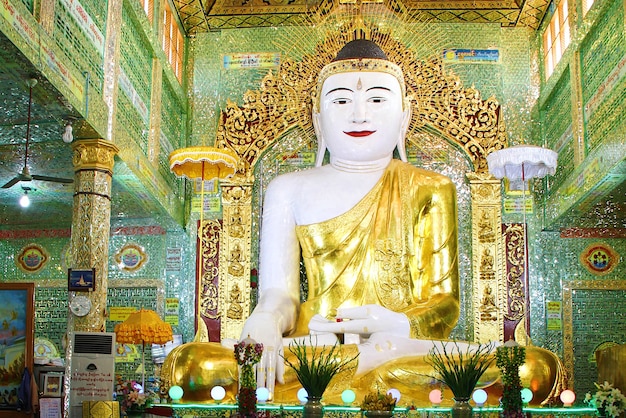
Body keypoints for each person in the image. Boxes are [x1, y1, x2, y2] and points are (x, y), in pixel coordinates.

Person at [162, 39, 564, 406]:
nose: (358, 114)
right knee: (193, 365)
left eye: (377, 99)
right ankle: (365, 375)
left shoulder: (431, 186)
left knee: (532, 368)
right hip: (312, 349)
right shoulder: (288, 188)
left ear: (404, 116)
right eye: (340, 102)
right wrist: (265, 322)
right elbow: (278, 294)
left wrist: (396, 323)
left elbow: (445, 304)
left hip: (403, 348)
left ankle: (358, 373)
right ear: (318, 120)